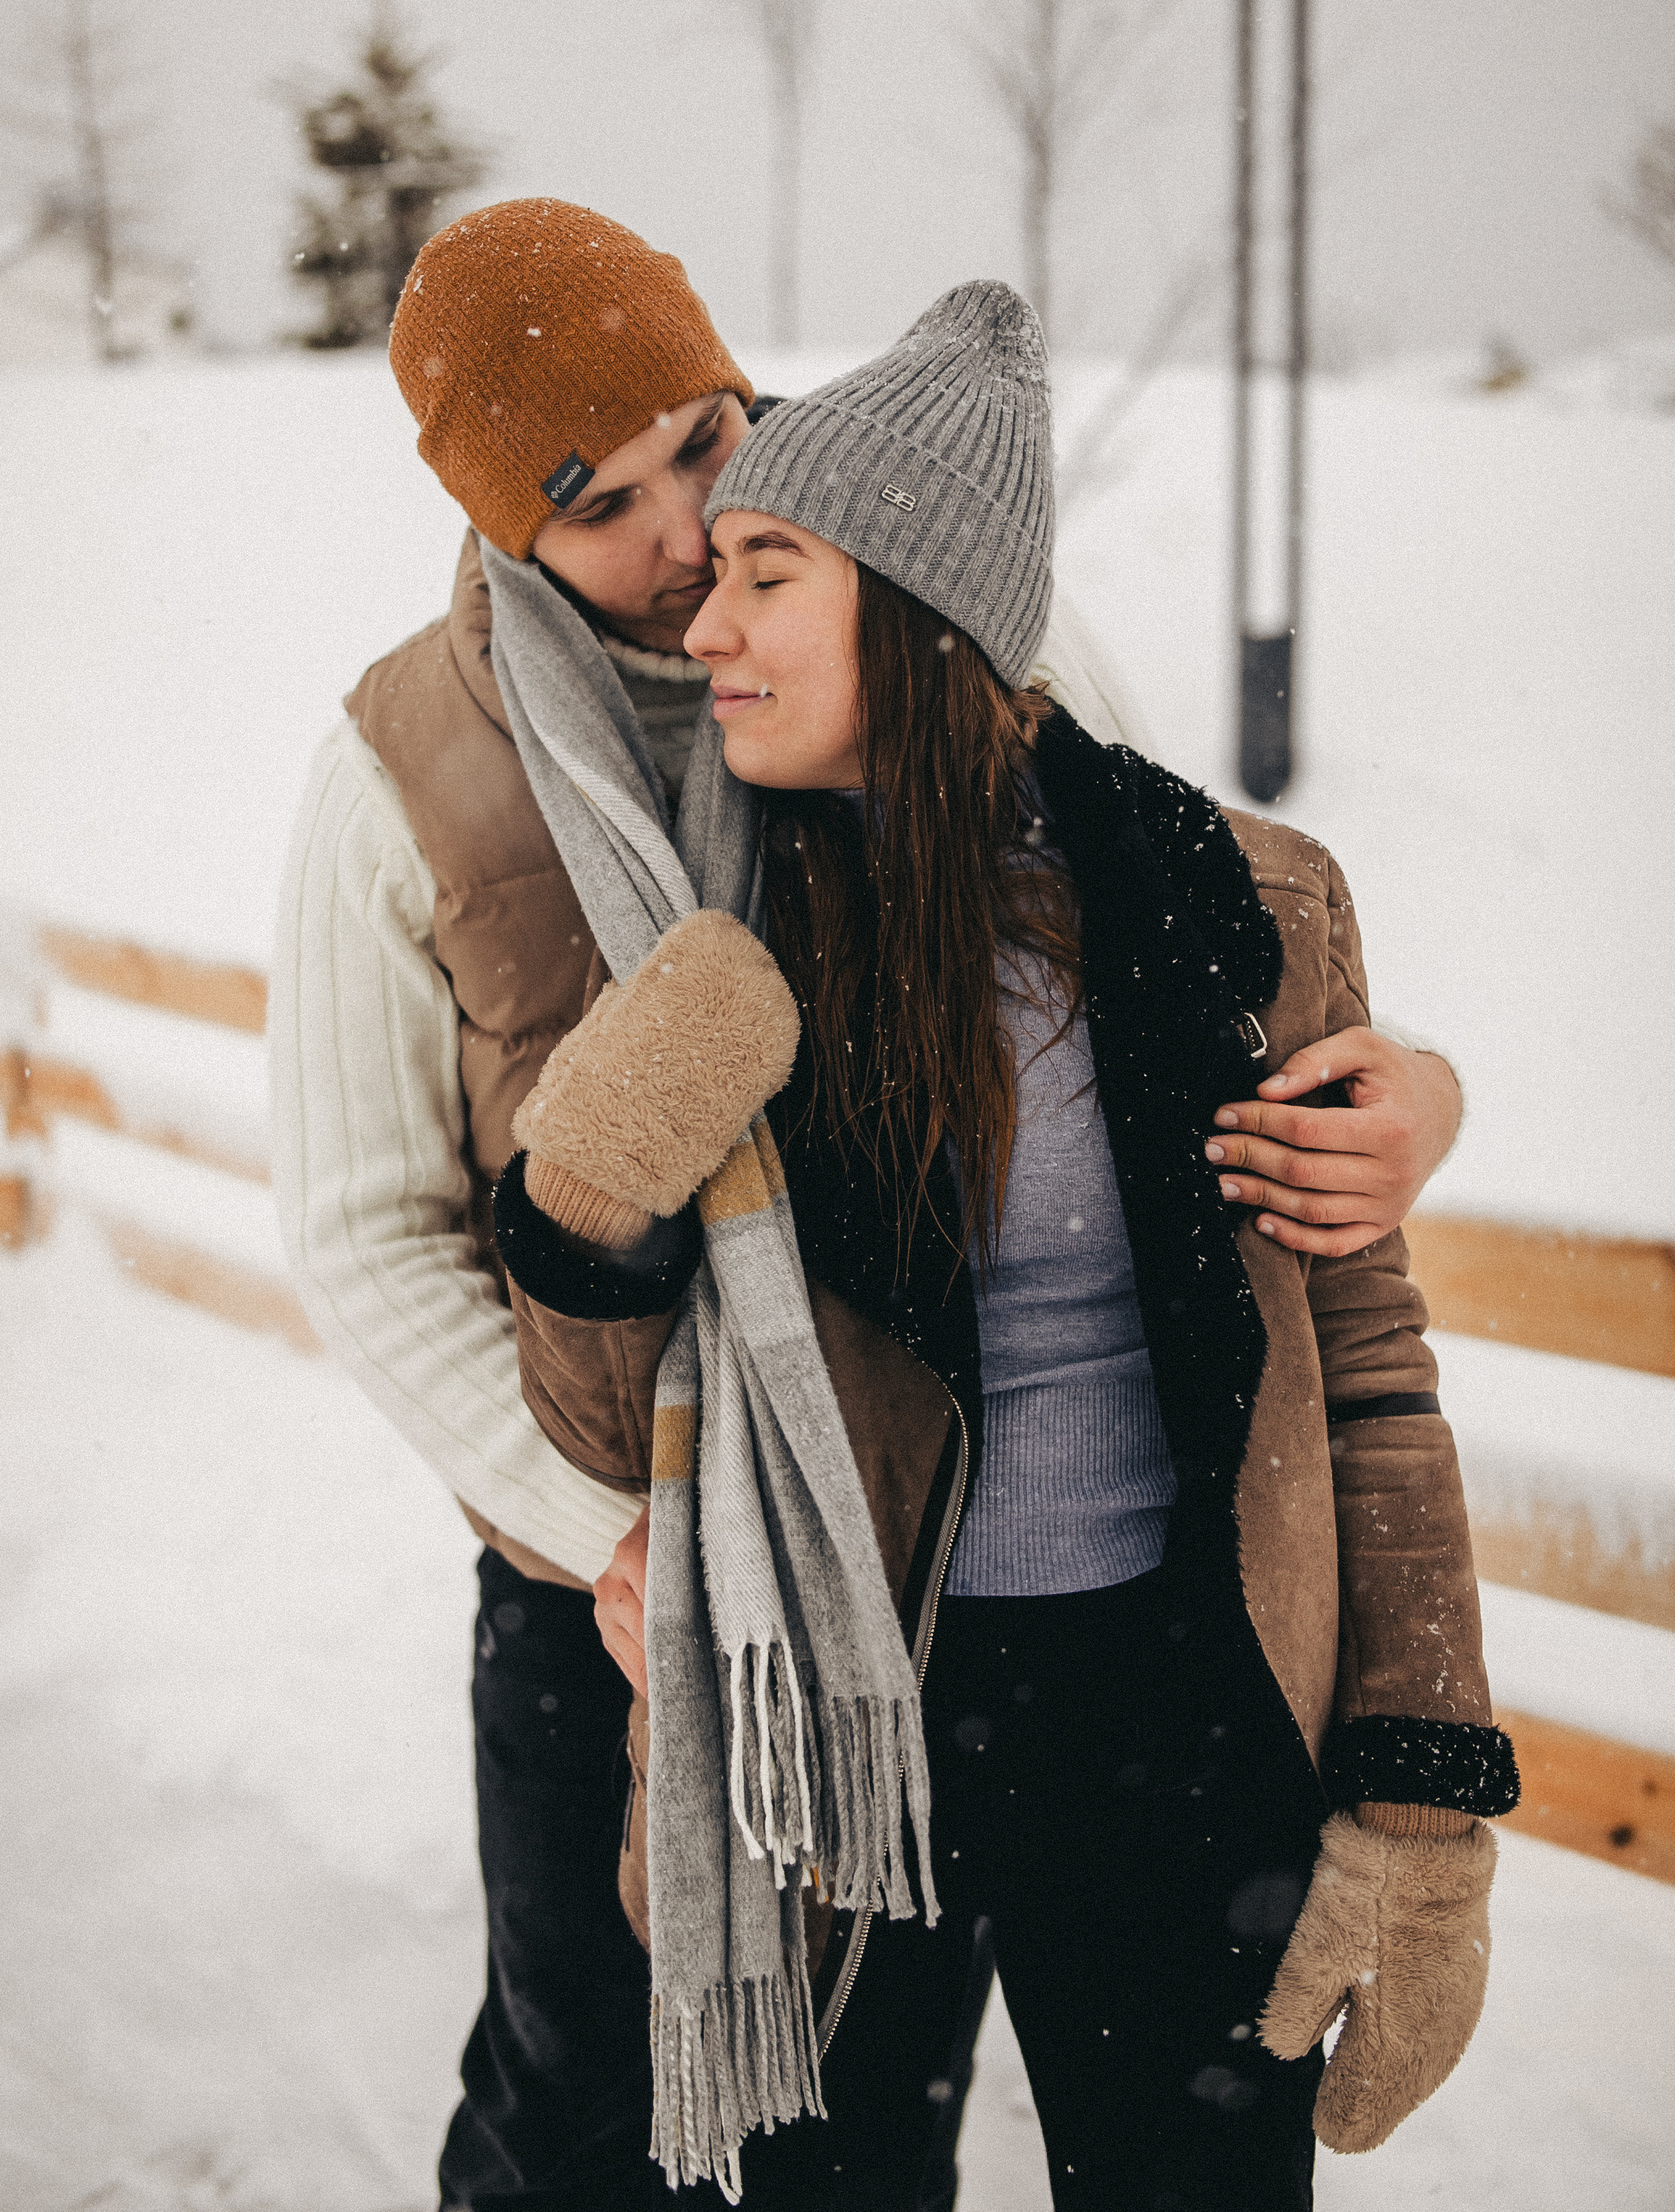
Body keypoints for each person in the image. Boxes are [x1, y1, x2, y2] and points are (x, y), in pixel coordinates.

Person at [269, 206, 1466, 2212]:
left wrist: (1408, 1093)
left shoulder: (930, 587)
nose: (679, 546)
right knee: (595, 2108)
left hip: (965, 1551)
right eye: (599, 503)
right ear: (498, 524)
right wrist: (616, 1548)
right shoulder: (408, 771)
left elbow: (1173, 966)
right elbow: (363, 1229)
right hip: (618, 1558)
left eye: (705, 445)